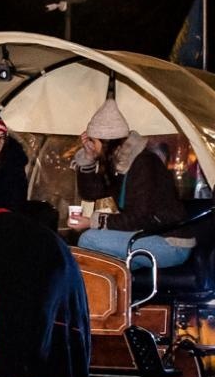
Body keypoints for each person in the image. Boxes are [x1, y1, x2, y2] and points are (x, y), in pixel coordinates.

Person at [66, 97, 194, 267]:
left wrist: (92, 222)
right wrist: (88, 159)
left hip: (169, 243)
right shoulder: (120, 164)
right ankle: (112, 293)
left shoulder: (143, 163)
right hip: (144, 236)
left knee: (89, 239)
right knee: (109, 265)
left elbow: (138, 217)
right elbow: (91, 193)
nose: (92, 146)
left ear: (106, 143)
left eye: (94, 142)